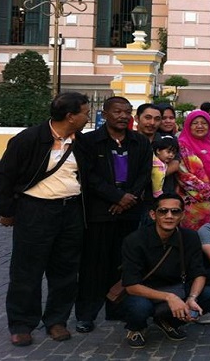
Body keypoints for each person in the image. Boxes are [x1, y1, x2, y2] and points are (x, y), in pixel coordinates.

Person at [0, 92, 91, 347]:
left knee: (66, 269)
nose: (88, 116)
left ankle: (56, 320)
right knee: (27, 270)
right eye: (84, 112)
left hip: (70, 211)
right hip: (35, 211)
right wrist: (6, 211)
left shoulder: (81, 142)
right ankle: (21, 323)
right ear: (70, 116)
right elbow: (4, 177)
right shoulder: (28, 139)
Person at [76, 96, 153, 334]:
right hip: (100, 211)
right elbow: (87, 175)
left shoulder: (139, 142)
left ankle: (116, 308)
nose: (122, 116)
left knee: (122, 264)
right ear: (105, 114)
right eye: (117, 111)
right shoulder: (88, 141)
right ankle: (86, 315)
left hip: (129, 212)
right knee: (93, 265)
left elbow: (144, 173)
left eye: (127, 111)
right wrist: (115, 197)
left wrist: (128, 198)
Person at [120, 193, 210, 348]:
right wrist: (169, 297)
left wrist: (192, 298)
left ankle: (167, 321)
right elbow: (131, 285)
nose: (169, 216)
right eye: (163, 211)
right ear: (153, 215)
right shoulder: (135, 240)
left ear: (182, 215)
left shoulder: (190, 237)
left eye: (175, 212)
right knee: (139, 308)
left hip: (177, 288)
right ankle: (136, 328)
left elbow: (199, 273)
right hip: (143, 292)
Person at [177, 110, 210, 230]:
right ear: (188, 125)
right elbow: (184, 175)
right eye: (195, 123)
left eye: (204, 123)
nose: (200, 126)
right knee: (194, 241)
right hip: (195, 204)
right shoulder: (182, 145)